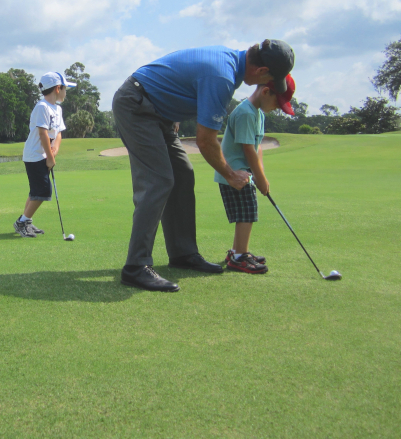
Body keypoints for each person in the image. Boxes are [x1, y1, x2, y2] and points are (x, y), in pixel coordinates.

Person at [112, 39, 295, 292]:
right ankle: (135, 267)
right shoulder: (223, 76)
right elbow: (206, 141)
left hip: (160, 113)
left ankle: (183, 254)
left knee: (183, 174)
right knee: (159, 180)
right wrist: (230, 174)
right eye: (272, 78)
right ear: (262, 71)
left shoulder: (231, 62)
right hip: (136, 105)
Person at [218, 75, 295, 273]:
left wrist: (261, 175)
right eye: (277, 103)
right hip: (235, 174)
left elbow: (257, 146)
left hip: (245, 173)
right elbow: (247, 149)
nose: (278, 108)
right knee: (247, 213)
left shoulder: (258, 113)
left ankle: (237, 252)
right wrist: (259, 178)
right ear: (266, 91)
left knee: (245, 213)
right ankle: (239, 258)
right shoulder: (245, 113)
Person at [14, 72, 75, 238]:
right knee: (42, 190)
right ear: (57, 88)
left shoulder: (57, 109)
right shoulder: (42, 107)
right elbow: (42, 134)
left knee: (35, 191)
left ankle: (26, 221)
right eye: (65, 88)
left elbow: (58, 133)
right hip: (35, 155)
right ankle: (21, 222)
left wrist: (54, 150)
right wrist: (49, 156)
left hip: (45, 154)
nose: (65, 92)